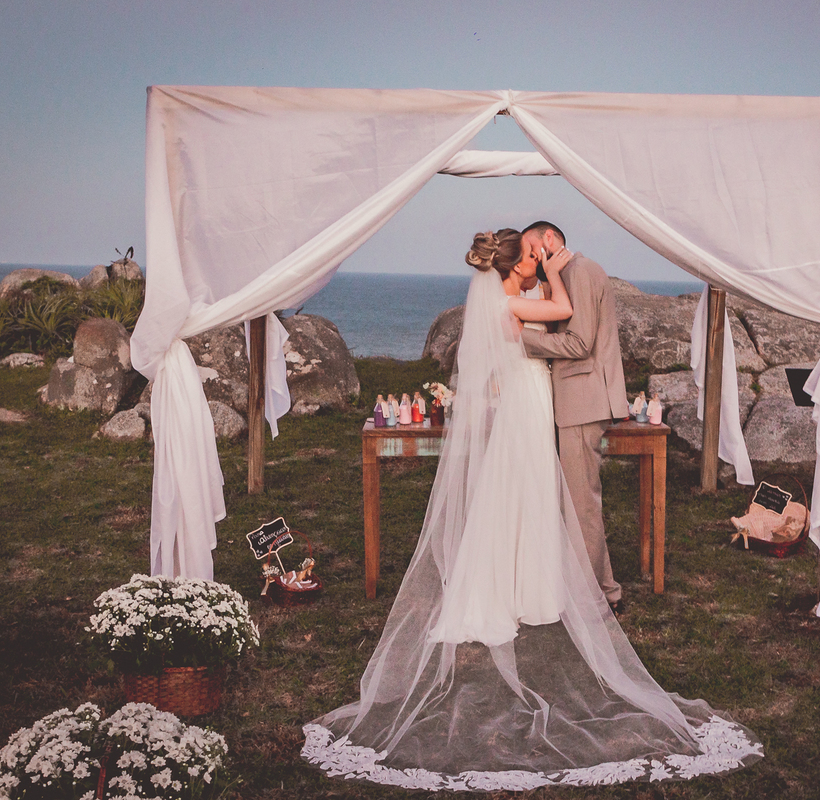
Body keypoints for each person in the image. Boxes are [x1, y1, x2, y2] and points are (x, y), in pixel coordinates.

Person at [302, 229, 762, 792]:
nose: (535, 258)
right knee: (528, 485)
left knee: (531, 490)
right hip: (527, 396)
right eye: (527, 254)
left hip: (534, 393)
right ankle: (525, 585)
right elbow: (563, 310)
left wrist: (543, 272)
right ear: (511, 265)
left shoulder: (505, 295)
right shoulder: (509, 298)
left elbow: (565, 322)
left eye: (538, 251)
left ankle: (529, 579)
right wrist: (550, 271)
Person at [518, 221, 630, 614]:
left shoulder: (580, 271)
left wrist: (520, 339)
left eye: (532, 246)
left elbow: (580, 343)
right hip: (573, 400)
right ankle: (595, 587)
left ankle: (598, 599)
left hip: (583, 400)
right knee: (577, 500)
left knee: (583, 502)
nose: (529, 256)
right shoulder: (562, 276)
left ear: (549, 238)